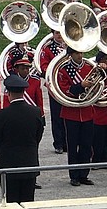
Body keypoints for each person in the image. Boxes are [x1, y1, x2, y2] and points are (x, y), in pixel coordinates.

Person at [0, 74, 44, 204]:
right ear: (24, 92)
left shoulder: (1, 115)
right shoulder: (35, 112)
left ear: (8, 93)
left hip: (8, 164)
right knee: (28, 201)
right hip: (29, 162)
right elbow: (38, 135)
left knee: (11, 202)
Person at [58, 47, 98, 186]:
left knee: (87, 145)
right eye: (76, 53)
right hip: (71, 113)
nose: (80, 55)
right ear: (70, 55)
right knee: (73, 146)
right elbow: (65, 91)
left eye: (81, 52)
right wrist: (81, 85)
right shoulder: (64, 70)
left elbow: (99, 85)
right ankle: (74, 175)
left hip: (87, 111)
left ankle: (83, 174)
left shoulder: (89, 67)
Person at [40, 30, 67, 154]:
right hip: (55, 84)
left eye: (61, 33)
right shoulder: (48, 49)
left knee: (68, 114)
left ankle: (68, 142)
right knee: (56, 115)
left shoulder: (71, 44)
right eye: (57, 33)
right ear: (53, 34)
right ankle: (59, 143)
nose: (59, 35)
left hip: (68, 84)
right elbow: (44, 67)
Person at [92, 51, 107, 166]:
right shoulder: (95, 70)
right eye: (104, 59)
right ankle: (97, 160)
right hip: (98, 110)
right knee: (98, 138)